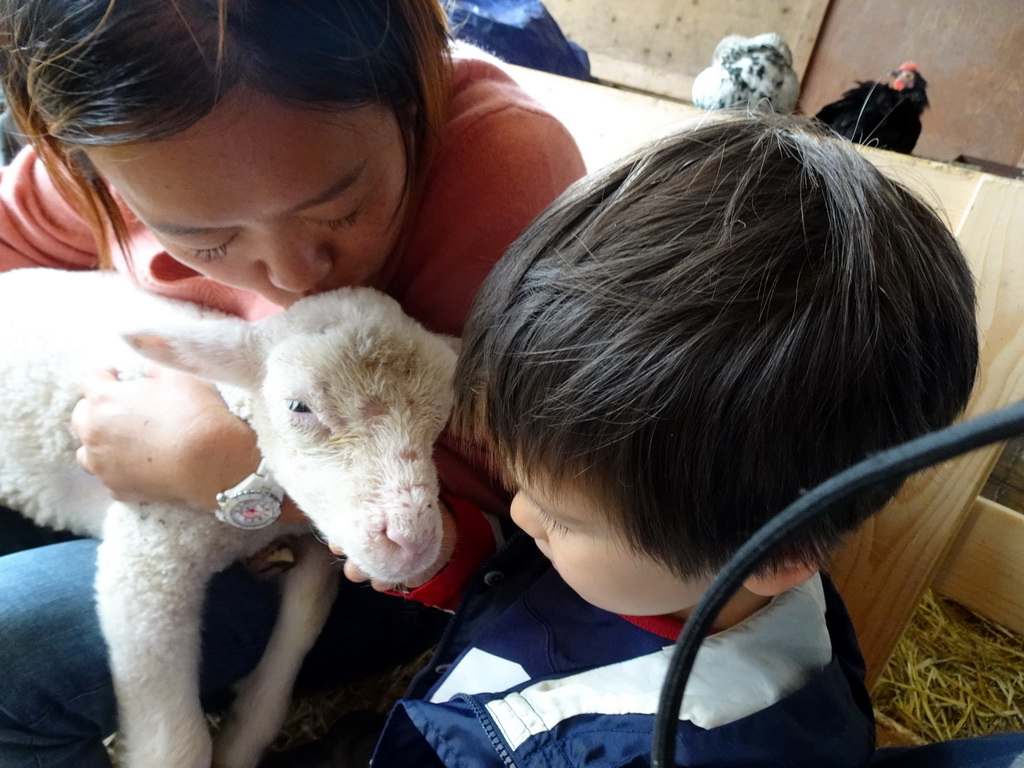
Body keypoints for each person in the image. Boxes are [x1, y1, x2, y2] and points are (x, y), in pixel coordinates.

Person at [269, 113, 981, 767]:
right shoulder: (691, 542)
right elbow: (549, 591)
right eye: (522, 483)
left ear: (776, 551)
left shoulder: (666, 747)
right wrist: (447, 566)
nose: (520, 515)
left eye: (562, 517)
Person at [0, 1, 585, 766]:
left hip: (386, 560)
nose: (289, 276)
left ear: (412, 88)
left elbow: (547, 509)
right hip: (130, 463)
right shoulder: (117, 147)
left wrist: (231, 465)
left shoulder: (506, 178)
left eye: (342, 209)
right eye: (200, 241)